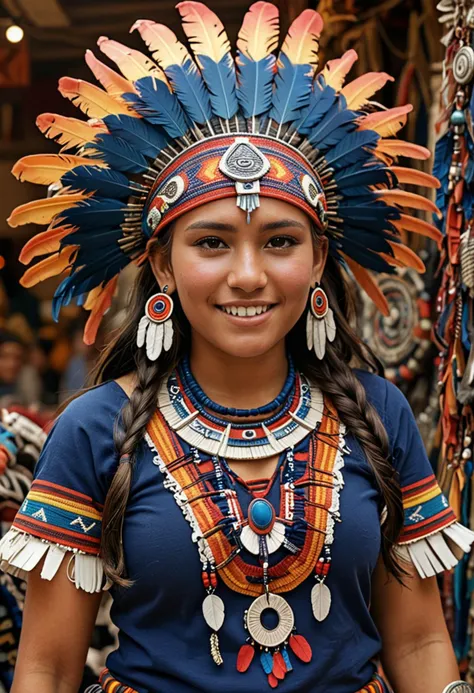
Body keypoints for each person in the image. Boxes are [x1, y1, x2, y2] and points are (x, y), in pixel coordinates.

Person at [0, 3, 471, 692]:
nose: (247, 275)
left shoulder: (380, 414)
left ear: (317, 261)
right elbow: (47, 665)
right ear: (161, 264)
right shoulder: (95, 429)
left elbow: (424, 638)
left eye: (280, 241)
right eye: (212, 241)